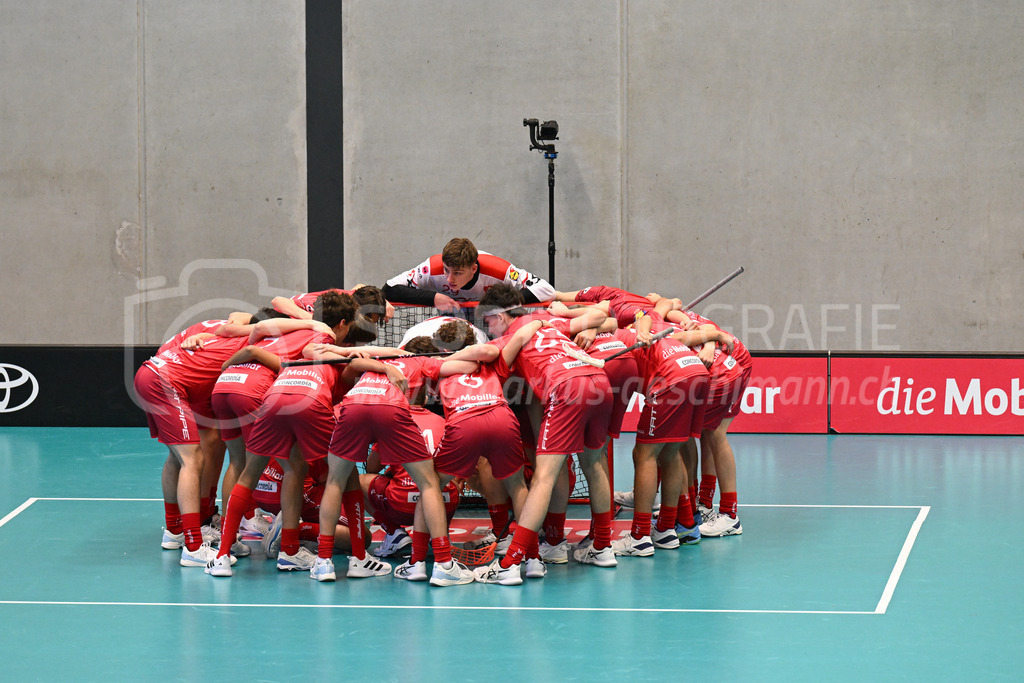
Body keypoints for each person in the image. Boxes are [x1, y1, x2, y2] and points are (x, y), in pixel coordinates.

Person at [454, 284, 615, 585]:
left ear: (499, 316)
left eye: (487, 321)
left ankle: (510, 562)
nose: (486, 328)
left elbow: (488, 353)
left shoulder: (509, 337)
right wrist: (572, 319)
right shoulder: (548, 321)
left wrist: (452, 355)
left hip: (566, 388)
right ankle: (603, 547)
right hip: (599, 383)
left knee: (543, 476)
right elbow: (605, 316)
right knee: (593, 464)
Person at [310, 343, 479, 587]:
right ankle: (443, 564)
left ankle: (324, 561)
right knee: (429, 483)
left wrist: (377, 360)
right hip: (392, 408)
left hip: (354, 405)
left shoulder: (374, 356)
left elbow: (351, 362)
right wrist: (453, 355)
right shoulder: (421, 360)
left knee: (336, 481)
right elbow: (468, 365)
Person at [133, 316, 253, 567]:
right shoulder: (249, 339)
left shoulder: (222, 334)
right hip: (165, 381)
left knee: (179, 455)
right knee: (192, 458)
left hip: (155, 371)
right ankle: (194, 546)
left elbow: (225, 328)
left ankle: (176, 530)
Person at [382, 237, 555, 313]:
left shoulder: (499, 270)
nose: (449, 279)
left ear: (473, 269)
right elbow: (389, 289)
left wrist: (498, 303)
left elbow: (547, 290)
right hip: (452, 315)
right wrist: (433, 298)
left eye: (457, 273)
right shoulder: (432, 267)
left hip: (489, 314)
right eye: (446, 270)